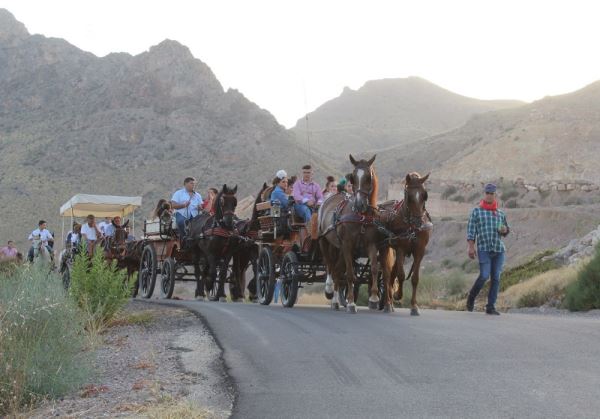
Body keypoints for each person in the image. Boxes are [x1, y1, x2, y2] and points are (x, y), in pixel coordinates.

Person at [466, 183, 510, 315]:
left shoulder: (500, 213)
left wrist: (504, 230)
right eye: (488, 193)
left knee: (496, 278)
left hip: (498, 250)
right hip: (484, 249)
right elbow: (471, 231)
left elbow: (506, 231)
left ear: (495, 195)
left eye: (492, 193)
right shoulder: (476, 211)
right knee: (484, 276)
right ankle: (471, 297)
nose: (490, 195)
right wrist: (471, 247)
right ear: (484, 194)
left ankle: (490, 306)